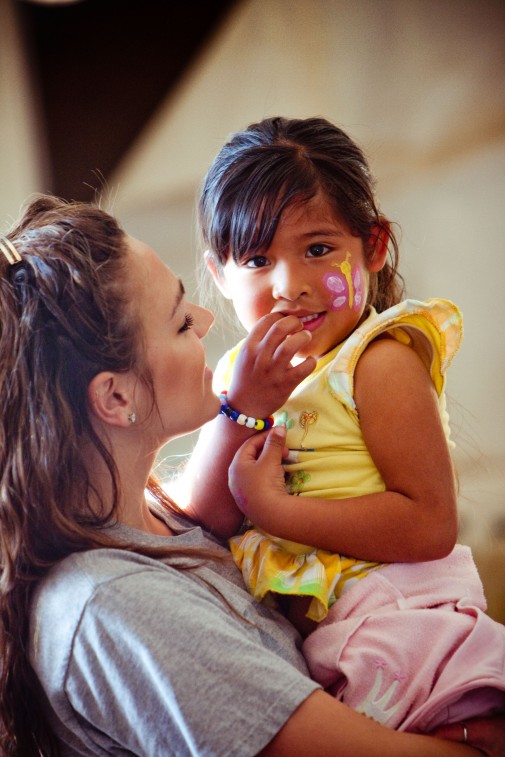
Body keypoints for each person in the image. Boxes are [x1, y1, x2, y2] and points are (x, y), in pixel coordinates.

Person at [3, 196, 501, 756]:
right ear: (116, 396)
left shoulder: (157, 521)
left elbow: (207, 507)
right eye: (179, 319)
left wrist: (244, 410)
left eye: (317, 249)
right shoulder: (115, 605)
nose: (207, 320)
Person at [180, 116, 505, 734]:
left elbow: (430, 525)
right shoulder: (240, 375)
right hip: (331, 653)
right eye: (256, 258)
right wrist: (243, 406)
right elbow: (205, 519)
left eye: (318, 249)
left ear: (373, 247)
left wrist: (276, 512)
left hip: (408, 630)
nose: (289, 286)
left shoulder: (377, 362)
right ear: (220, 274)